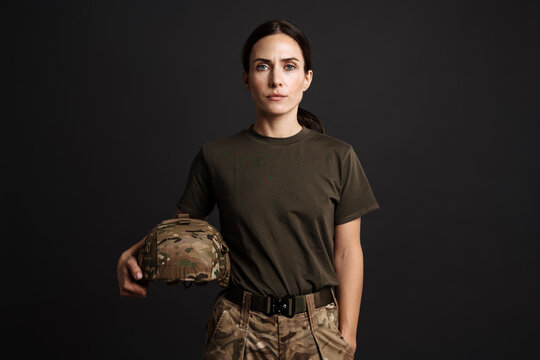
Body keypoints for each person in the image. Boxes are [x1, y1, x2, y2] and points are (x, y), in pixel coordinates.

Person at [117, 19, 380, 360]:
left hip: (318, 331)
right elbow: (182, 230)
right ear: (246, 79)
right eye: (262, 67)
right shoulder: (217, 156)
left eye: (289, 66)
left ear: (306, 78)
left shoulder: (338, 157)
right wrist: (134, 253)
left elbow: (347, 253)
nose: (276, 79)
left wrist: (347, 336)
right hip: (238, 330)